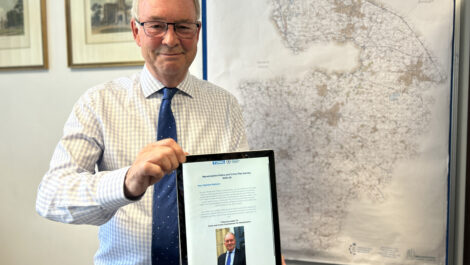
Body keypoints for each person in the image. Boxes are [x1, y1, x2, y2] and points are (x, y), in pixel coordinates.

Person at [35, 0, 248, 264]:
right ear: (136, 32)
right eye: (156, 26)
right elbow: (50, 197)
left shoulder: (226, 106)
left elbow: (240, 200)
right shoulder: (98, 103)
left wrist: (261, 249)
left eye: (183, 26)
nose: (170, 39)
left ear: (197, 32)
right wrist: (126, 182)